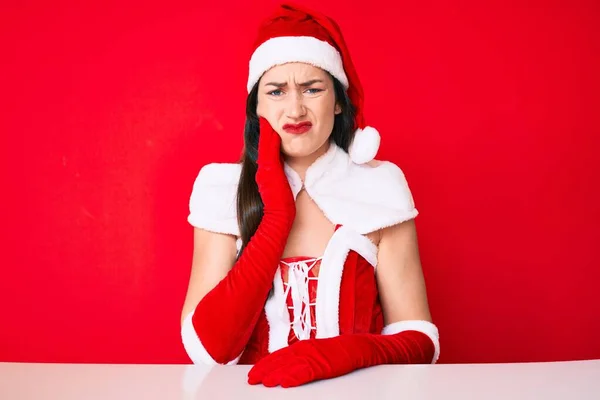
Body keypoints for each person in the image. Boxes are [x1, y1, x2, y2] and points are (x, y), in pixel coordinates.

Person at [180, 2, 440, 388]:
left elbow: (421, 340)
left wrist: (348, 353)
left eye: (312, 88)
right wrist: (276, 218)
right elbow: (207, 349)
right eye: (277, 91)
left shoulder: (380, 189)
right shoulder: (221, 192)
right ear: (258, 107)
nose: (295, 108)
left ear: (337, 102)